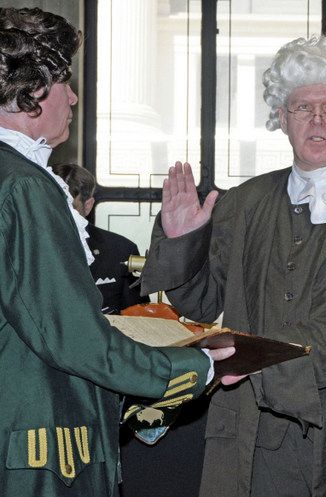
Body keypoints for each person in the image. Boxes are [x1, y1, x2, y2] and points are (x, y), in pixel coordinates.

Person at [140, 34, 326, 496]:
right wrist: (182, 241)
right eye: (302, 107)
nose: (317, 119)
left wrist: (269, 362)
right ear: (280, 117)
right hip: (254, 438)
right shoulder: (243, 203)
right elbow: (198, 303)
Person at [0, 8, 240, 497]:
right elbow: (73, 339)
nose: (72, 96)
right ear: (29, 90)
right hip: (39, 451)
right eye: (63, 79)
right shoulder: (24, 187)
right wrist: (198, 369)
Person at [52, 163, 149, 314]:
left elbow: (140, 321)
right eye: (52, 208)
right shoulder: (24, 247)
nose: (59, 217)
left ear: (88, 205)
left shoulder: (121, 251)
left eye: (71, 209)